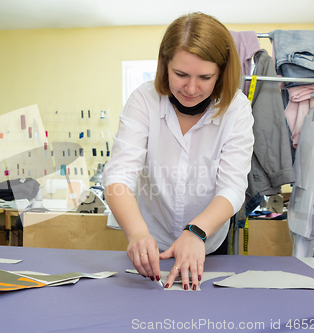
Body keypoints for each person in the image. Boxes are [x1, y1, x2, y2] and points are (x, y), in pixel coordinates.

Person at [103, 12, 254, 291]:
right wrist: (137, 233)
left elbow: (233, 187)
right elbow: (118, 177)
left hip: (207, 243)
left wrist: (195, 232)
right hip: (152, 242)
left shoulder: (237, 109)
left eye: (205, 77)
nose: (191, 88)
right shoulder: (143, 100)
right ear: (165, 65)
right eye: (181, 74)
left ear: (221, 73)